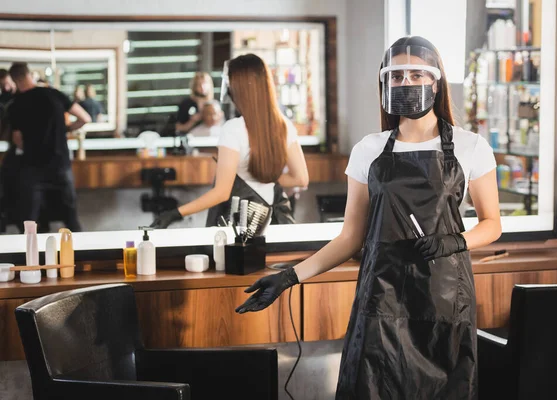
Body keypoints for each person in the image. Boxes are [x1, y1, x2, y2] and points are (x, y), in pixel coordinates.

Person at [235, 36, 502, 399]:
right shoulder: (369, 150)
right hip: (381, 301)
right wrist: (289, 276)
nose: (405, 83)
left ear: (435, 82)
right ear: (384, 83)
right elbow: (350, 238)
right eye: (396, 76)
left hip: (445, 301)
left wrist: (455, 240)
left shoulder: (472, 146)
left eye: (416, 74)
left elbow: (492, 224)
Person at [150, 53, 309, 229]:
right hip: (272, 222)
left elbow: (221, 193)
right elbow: (300, 179)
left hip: (241, 226)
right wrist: (264, 177)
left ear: (238, 89)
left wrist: (176, 213)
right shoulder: (284, 125)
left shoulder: (234, 129)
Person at [7, 62, 91, 232]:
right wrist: (66, 130)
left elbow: (17, 139)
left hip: (33, 168)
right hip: (60, 165)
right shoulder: (54, 94)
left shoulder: (17, 104)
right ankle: (81, 256)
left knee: (30, 222)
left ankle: (33, 257)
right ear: (29, 74)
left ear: (16, 80)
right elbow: (85, 118)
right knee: (71, 218)